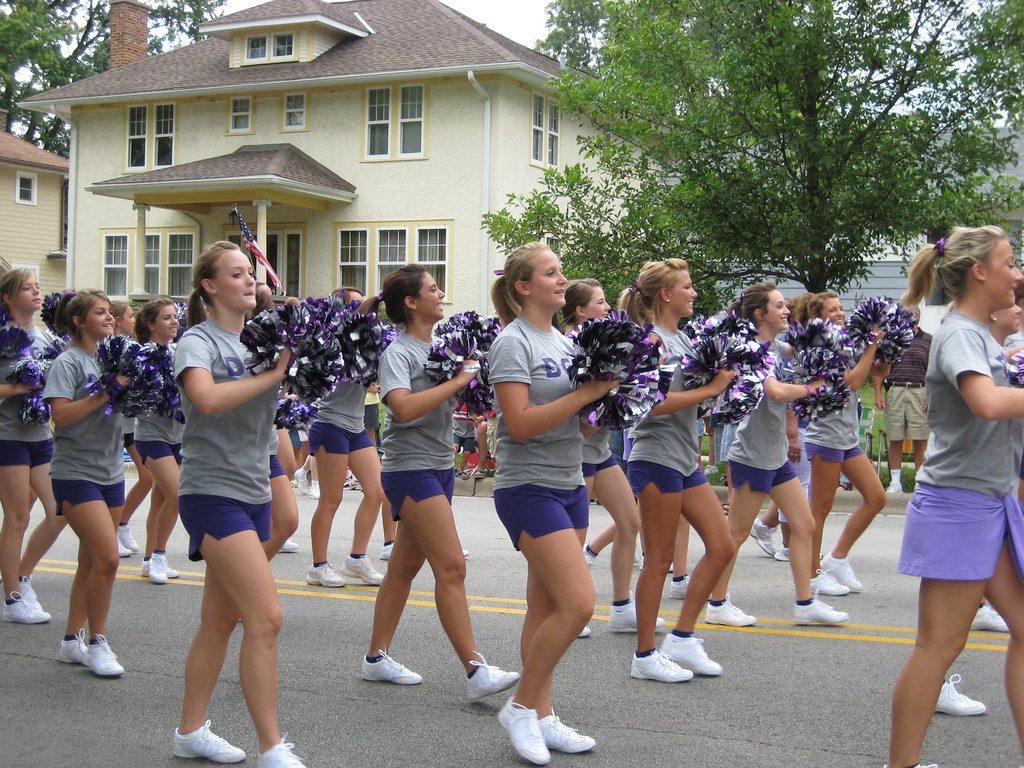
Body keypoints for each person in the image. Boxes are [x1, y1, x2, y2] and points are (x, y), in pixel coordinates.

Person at [886, 226, 1024, 768]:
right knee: (938, 646)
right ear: (981, 272)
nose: (1019, 273)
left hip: (987, 503)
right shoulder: (961, 334)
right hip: (959, 506)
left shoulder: (982, 335)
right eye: (1011, 262)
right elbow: (987, 402)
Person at [356, 264, 519, 700]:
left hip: (438, 465)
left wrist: (472, 375)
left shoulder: (443, 348)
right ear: (411, 302)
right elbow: (403, 409)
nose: (442, 293)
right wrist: (458, 381)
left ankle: (376, 658)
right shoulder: (399, 352)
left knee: (405, 568)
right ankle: (475, 668)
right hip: (409, 468)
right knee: (452, 566)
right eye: (433, 289)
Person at [172, 241, 306, 767]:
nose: (250, 281)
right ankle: (272, 747)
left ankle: (189, 732)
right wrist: (274, 376)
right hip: (211, 493)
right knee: (266, 618)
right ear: (209, 286)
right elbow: (205, 399)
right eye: (236, 274)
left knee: (219, 621)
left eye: (251, 273)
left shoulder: (259, 343)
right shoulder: (197, 343)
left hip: (254, 492)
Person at [489, 242, 620, 765]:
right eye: (552, 273)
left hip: (570, 483)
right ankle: (521, 708)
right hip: (527, 487)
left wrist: (613, 398)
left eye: (562, 272)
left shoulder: (567, 344)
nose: (562, 280)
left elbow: (578, 419)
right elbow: (517, 426)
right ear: (524, 286)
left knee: (544, 607)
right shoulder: (512, 343)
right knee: (578, 604)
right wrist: (586, 395)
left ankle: (541, 715)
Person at [617, 262, 738, 682]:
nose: (694, 293)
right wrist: (710, 390)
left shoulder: (683, 337)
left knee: (723, 546)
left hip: (685, 458)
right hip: (656, 458)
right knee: (660, 559)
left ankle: (683, 637)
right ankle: (645, 655)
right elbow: (650, 403)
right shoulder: (651, 342)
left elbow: (692, 398)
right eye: (687, 287)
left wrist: (720, 395)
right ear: (665, 294)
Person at [710, 283, 848, 627]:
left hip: (775, 457)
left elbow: (802, 346)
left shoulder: (776, 346)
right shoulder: (750, 350)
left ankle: (805, 603)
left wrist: (845, 336)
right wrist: (812, 388)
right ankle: (716, 603)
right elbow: (773, 390)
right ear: (760, 314)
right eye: (779, 306)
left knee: (804, 524)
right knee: (736, 534)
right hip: (752, 456)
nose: (787, 310)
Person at [44, 290, 129, 676]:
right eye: (100, 312)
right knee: (108, 558)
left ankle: (68, 642)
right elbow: (60, 416)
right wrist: (108, 390)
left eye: (111, 312)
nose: (110, 317)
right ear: (79, 320)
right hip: (75, 472)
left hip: (111, 471)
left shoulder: (114, 358)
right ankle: (97, 642)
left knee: (91, 561)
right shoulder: (69, 362)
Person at [560, 279, 645, 633]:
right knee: (574, 537)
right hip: (576, 452)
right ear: (580, 311)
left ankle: (623, 607)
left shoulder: (608, 348)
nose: (609, 308)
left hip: (599, 450)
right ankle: (569, 609)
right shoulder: (569, 349)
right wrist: (613, 407)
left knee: (630, 522)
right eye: (600, 302)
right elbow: (577, 418)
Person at [797, 291, 888, 595]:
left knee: (877, 497)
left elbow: (877, 370)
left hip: (847, 437)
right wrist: (872, 346)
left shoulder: (844, 343)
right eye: (832, 310)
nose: (839, 313)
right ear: (818, 317)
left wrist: (884, 350)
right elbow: (851, 381)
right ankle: (812, 573)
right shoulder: (820, 346)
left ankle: (837, 558)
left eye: (840, 308)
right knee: (820, 508)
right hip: (826, 436)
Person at [0, 268, 63, 623]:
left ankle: (21, 577)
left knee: (59, 511)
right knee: (18, 516)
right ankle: (12, 600)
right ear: (9, 297)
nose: (37, 292)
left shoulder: (46, 338)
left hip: (41, 435)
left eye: (38, 286)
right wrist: (18, 388)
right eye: (27, 288)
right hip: (6, 434)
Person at [133, 299, 185, 584]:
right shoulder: (141, 355)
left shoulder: (179, 351)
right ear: (151, 324)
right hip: (152, 436)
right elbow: (133, 400)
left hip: (178, 436)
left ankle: (147, 558)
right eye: (167, 318)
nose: (174, 322)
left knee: (161, 499)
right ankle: (159, 556)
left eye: (175, 317)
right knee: (177, 496)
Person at [110, 300, 152, 559]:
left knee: (147, 477)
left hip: (131, 423)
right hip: (112, 423)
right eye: (128, 316)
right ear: (116, 320)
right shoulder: (109, 349)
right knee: (112, 479)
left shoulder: (135, 347)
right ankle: (110, 530)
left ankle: (121, 523)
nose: (133, 320)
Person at [873, 309, 931, 494]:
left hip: (919, 391)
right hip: (896, 389)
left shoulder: (928, 340)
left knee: (920, 439)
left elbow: (935, 370)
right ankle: (895, 482)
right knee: (895, 437)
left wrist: (931, 395)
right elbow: (879, 367)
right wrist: (878, 393)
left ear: (919, 316)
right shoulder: (892, 338)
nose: (911, 316)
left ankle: (919, 482)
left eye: (914, 312)